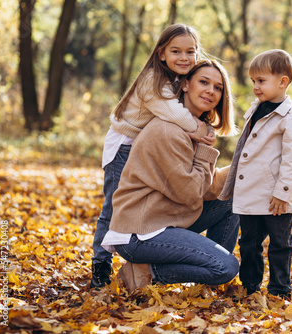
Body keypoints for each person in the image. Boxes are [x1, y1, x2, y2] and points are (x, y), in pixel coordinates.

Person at [91, 24, 217, 288]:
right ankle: (100, 266)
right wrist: (200, 130)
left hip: (145, 144)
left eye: (190, 52)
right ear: (161, 54)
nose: (184, 58)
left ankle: (148, 247)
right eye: (176, 51)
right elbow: (174, 114)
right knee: (113, 207)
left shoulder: (177, 80)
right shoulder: (152, 80)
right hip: (124, 145)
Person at [101, 59, 240, 292]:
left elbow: (204, 187)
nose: (211, 91)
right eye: (203, 82)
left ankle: (207, 281)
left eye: (218, 87)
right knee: (226, 267)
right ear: (185, 85)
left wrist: (242, 173)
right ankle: (145, 271)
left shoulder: (193, 128)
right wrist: (205, 152)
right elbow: (191, 193)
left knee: (231, 198)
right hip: (139, 233)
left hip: (164, 219)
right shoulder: (170, 131)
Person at [219, 49, 292, 299]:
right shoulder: (256, 109)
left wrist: (282, 192)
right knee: (249, 243)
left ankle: (280, 289)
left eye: (262, 81)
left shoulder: (290, 119)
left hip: (276, 196)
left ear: (283, 82)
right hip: (251, 192)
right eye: (253, 81)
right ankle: (250, 286)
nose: (256, 87)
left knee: (280, 244)